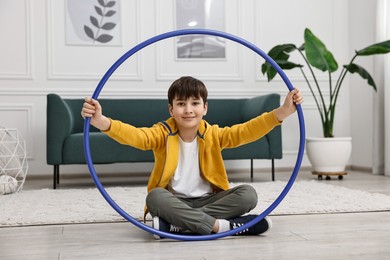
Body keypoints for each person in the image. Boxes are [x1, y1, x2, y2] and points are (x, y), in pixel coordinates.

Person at [81, 76, 303, 239]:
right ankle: (224, 227)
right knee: (155, 197)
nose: (188, 110)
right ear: (171, 109)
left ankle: (178, 226)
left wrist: (282, 112)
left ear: (205, 108)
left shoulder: (214, 135)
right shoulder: (162, 133)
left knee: (248, 195)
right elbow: (136, 136)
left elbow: (246, 131)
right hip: (174, 202)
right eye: (181, 104)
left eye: (195, 103)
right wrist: (102, 122)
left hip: (210, 199)